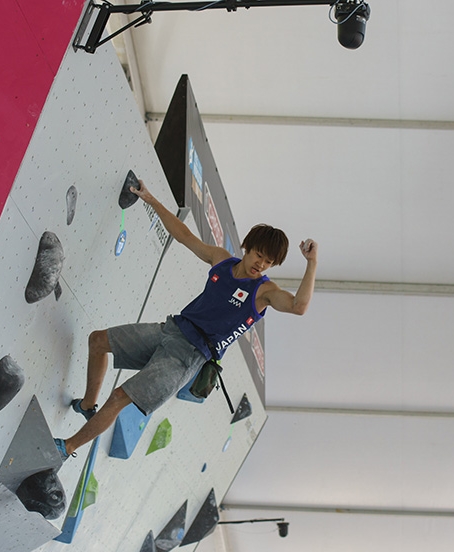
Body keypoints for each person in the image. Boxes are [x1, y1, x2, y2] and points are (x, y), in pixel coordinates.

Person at [54, 179, 318, 459]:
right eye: (259, 255)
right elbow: (184, 236)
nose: (260, 265)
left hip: (189, 356)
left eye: (268, 263)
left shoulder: (264, 292)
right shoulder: (222, 260)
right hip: (172, 329)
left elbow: (298, 306)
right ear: (247, 247)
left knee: (120, 396)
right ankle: (87, 406)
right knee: (98, 340)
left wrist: (311, 263)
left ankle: (67, 447)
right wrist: (151, 199)